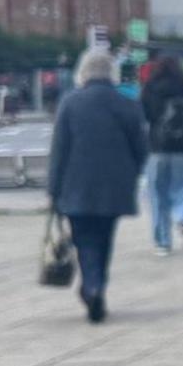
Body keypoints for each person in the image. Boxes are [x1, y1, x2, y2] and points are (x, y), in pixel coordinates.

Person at [47, 48, 148, 323]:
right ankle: (97, 285)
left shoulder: (70, 103)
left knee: (84, 239)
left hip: (76, 185)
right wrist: (132, 174)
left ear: (83, 72)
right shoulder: (127, 104)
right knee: (104, 238)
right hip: (114, 187)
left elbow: (59, 151)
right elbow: (141, 148)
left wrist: (53, 189)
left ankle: (92, 285)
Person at [138, 54, 183, 256]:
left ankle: (162, 242)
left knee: (157, 195)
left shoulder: (150, 89)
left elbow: (141, 117)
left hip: (158, 150)